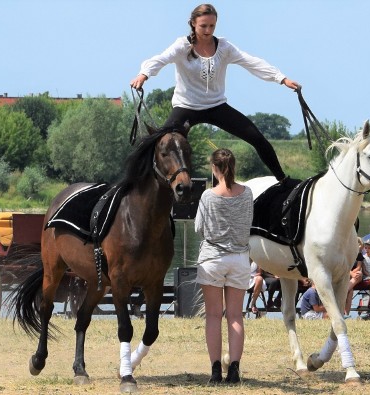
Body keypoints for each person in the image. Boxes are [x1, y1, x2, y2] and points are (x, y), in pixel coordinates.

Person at [130, 3, 301, 183]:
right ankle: (143, 186)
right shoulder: (182, 46)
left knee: (257, 137)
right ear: (193, 24)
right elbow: (160, 59)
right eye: (203, 25)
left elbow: (251, 62)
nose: (208, 30)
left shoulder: (224, 47)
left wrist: (282, 78)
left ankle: (283, 181)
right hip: (186, 106)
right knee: (160, 144)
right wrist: (143, 75)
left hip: (217, 106)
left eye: (212, 26)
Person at [194, 148, 253, 384]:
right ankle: (235, 371)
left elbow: (199, 228)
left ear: (214, 168)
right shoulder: (247, 193)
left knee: (213, 316)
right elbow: (248, 222)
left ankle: (216, 371)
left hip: (213, 258)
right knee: (236, 316)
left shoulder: (208, 196)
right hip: (239, 259)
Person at [344, 237, 364, 315]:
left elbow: (359, 267)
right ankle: (346, 313)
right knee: (351, 292)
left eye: (360, 245)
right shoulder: (346, 253)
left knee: (359, 274)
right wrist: (351, 273)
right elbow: (344, 267)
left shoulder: (359, 255)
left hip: (354, 276)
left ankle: (346, 289)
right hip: (346, 273)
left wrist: (354, 274)